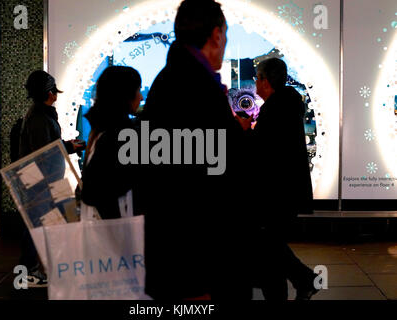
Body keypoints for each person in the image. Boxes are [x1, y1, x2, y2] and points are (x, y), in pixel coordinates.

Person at [139, 0, 251, 300]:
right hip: (194, 256)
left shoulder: (172, 78)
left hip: (177, 249)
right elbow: (201, 181)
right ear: (216, 35)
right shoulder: (195, 84)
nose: (225, 43)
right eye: (225, 35)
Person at [248, 58, 318, 300]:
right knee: (271, 245)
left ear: (266, 81)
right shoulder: (286, 105)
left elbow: (262, 150)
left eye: (257, 77)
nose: (255, 83)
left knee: (268, 245)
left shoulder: (274, 110)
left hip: (276, 192)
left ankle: (303, 280)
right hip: (286, 191)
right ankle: (304, 280)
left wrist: (246, 130)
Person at [18, 70, 85, 287]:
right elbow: (42, 152)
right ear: (49, 93)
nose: (56, 95)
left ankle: (45, 269)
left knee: (47, 224)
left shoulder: (42, 115)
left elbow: (46, 146)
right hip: (41, 181)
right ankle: (28, 273)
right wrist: (67, 146)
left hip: (45, 179)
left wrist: (67, 146)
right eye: (54, 91)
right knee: (36, 227)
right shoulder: (39, 117)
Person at [81, 66, 143, 219]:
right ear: (125, 94)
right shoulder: (118, 136)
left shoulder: (101, 129)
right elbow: (94, 191)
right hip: (118, 232)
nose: (141, 97)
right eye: (137, 90)